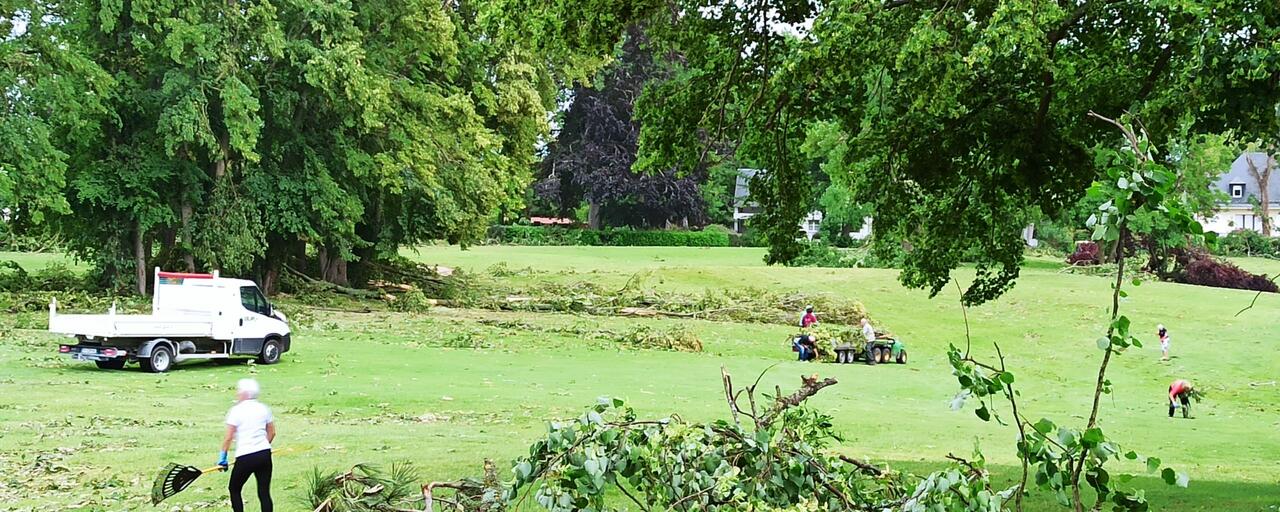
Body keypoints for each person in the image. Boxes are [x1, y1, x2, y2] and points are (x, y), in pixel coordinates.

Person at [220, 378, 276, 512]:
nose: (237, 394)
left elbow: (228, 437)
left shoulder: (236, 411)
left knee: (234, 489)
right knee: (264, 492)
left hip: (245, 456)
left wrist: (223, 457)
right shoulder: (264, 408)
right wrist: (261, 447)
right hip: (264, 454)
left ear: (245, 393)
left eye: (239, 391)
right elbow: (272, 432)